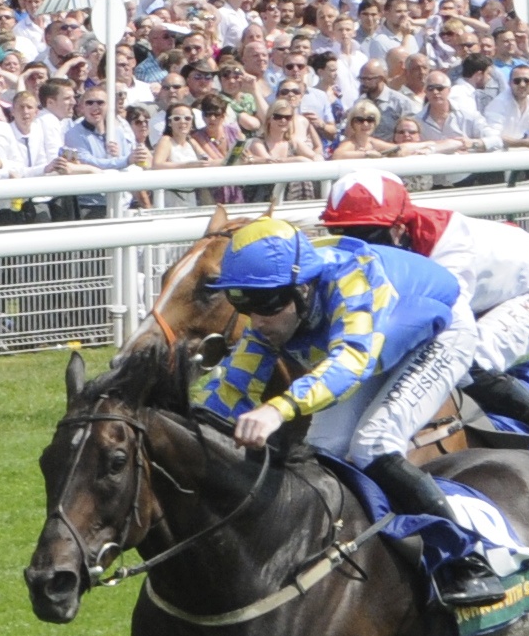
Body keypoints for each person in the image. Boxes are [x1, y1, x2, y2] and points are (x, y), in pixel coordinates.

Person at [185, 216, 507, 610]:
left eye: (266, 304)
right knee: (325, 453)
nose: (258, 319)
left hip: (438, 330)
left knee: (373, 443)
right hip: (372, 344)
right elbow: (233, 389)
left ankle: (467, 560)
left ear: (303, 289)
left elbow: (351, 362)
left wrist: (278, 410)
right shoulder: (273, 312)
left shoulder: (351, 279)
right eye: (243, 303)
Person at [317, 170, 529, 454]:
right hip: (487, 290)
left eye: (366, 234)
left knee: (468, 361)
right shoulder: (399, 235)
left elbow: (448, 328)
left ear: (398, 227)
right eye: (341, 232)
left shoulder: (448, 251)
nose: (357, 246)